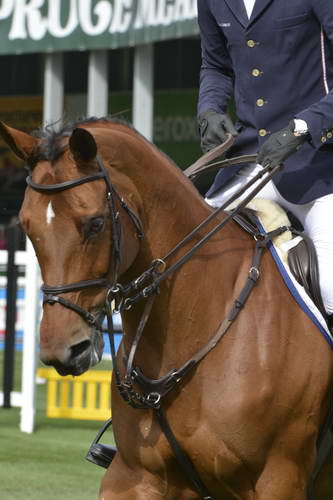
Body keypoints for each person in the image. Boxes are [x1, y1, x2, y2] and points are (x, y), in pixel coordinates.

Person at [197, 0, 333, 325]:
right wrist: (210, 110)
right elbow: (215, 66)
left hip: (318, 163)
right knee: (187, 251)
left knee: (330, 286)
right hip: (248, 163)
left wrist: (302, 128)